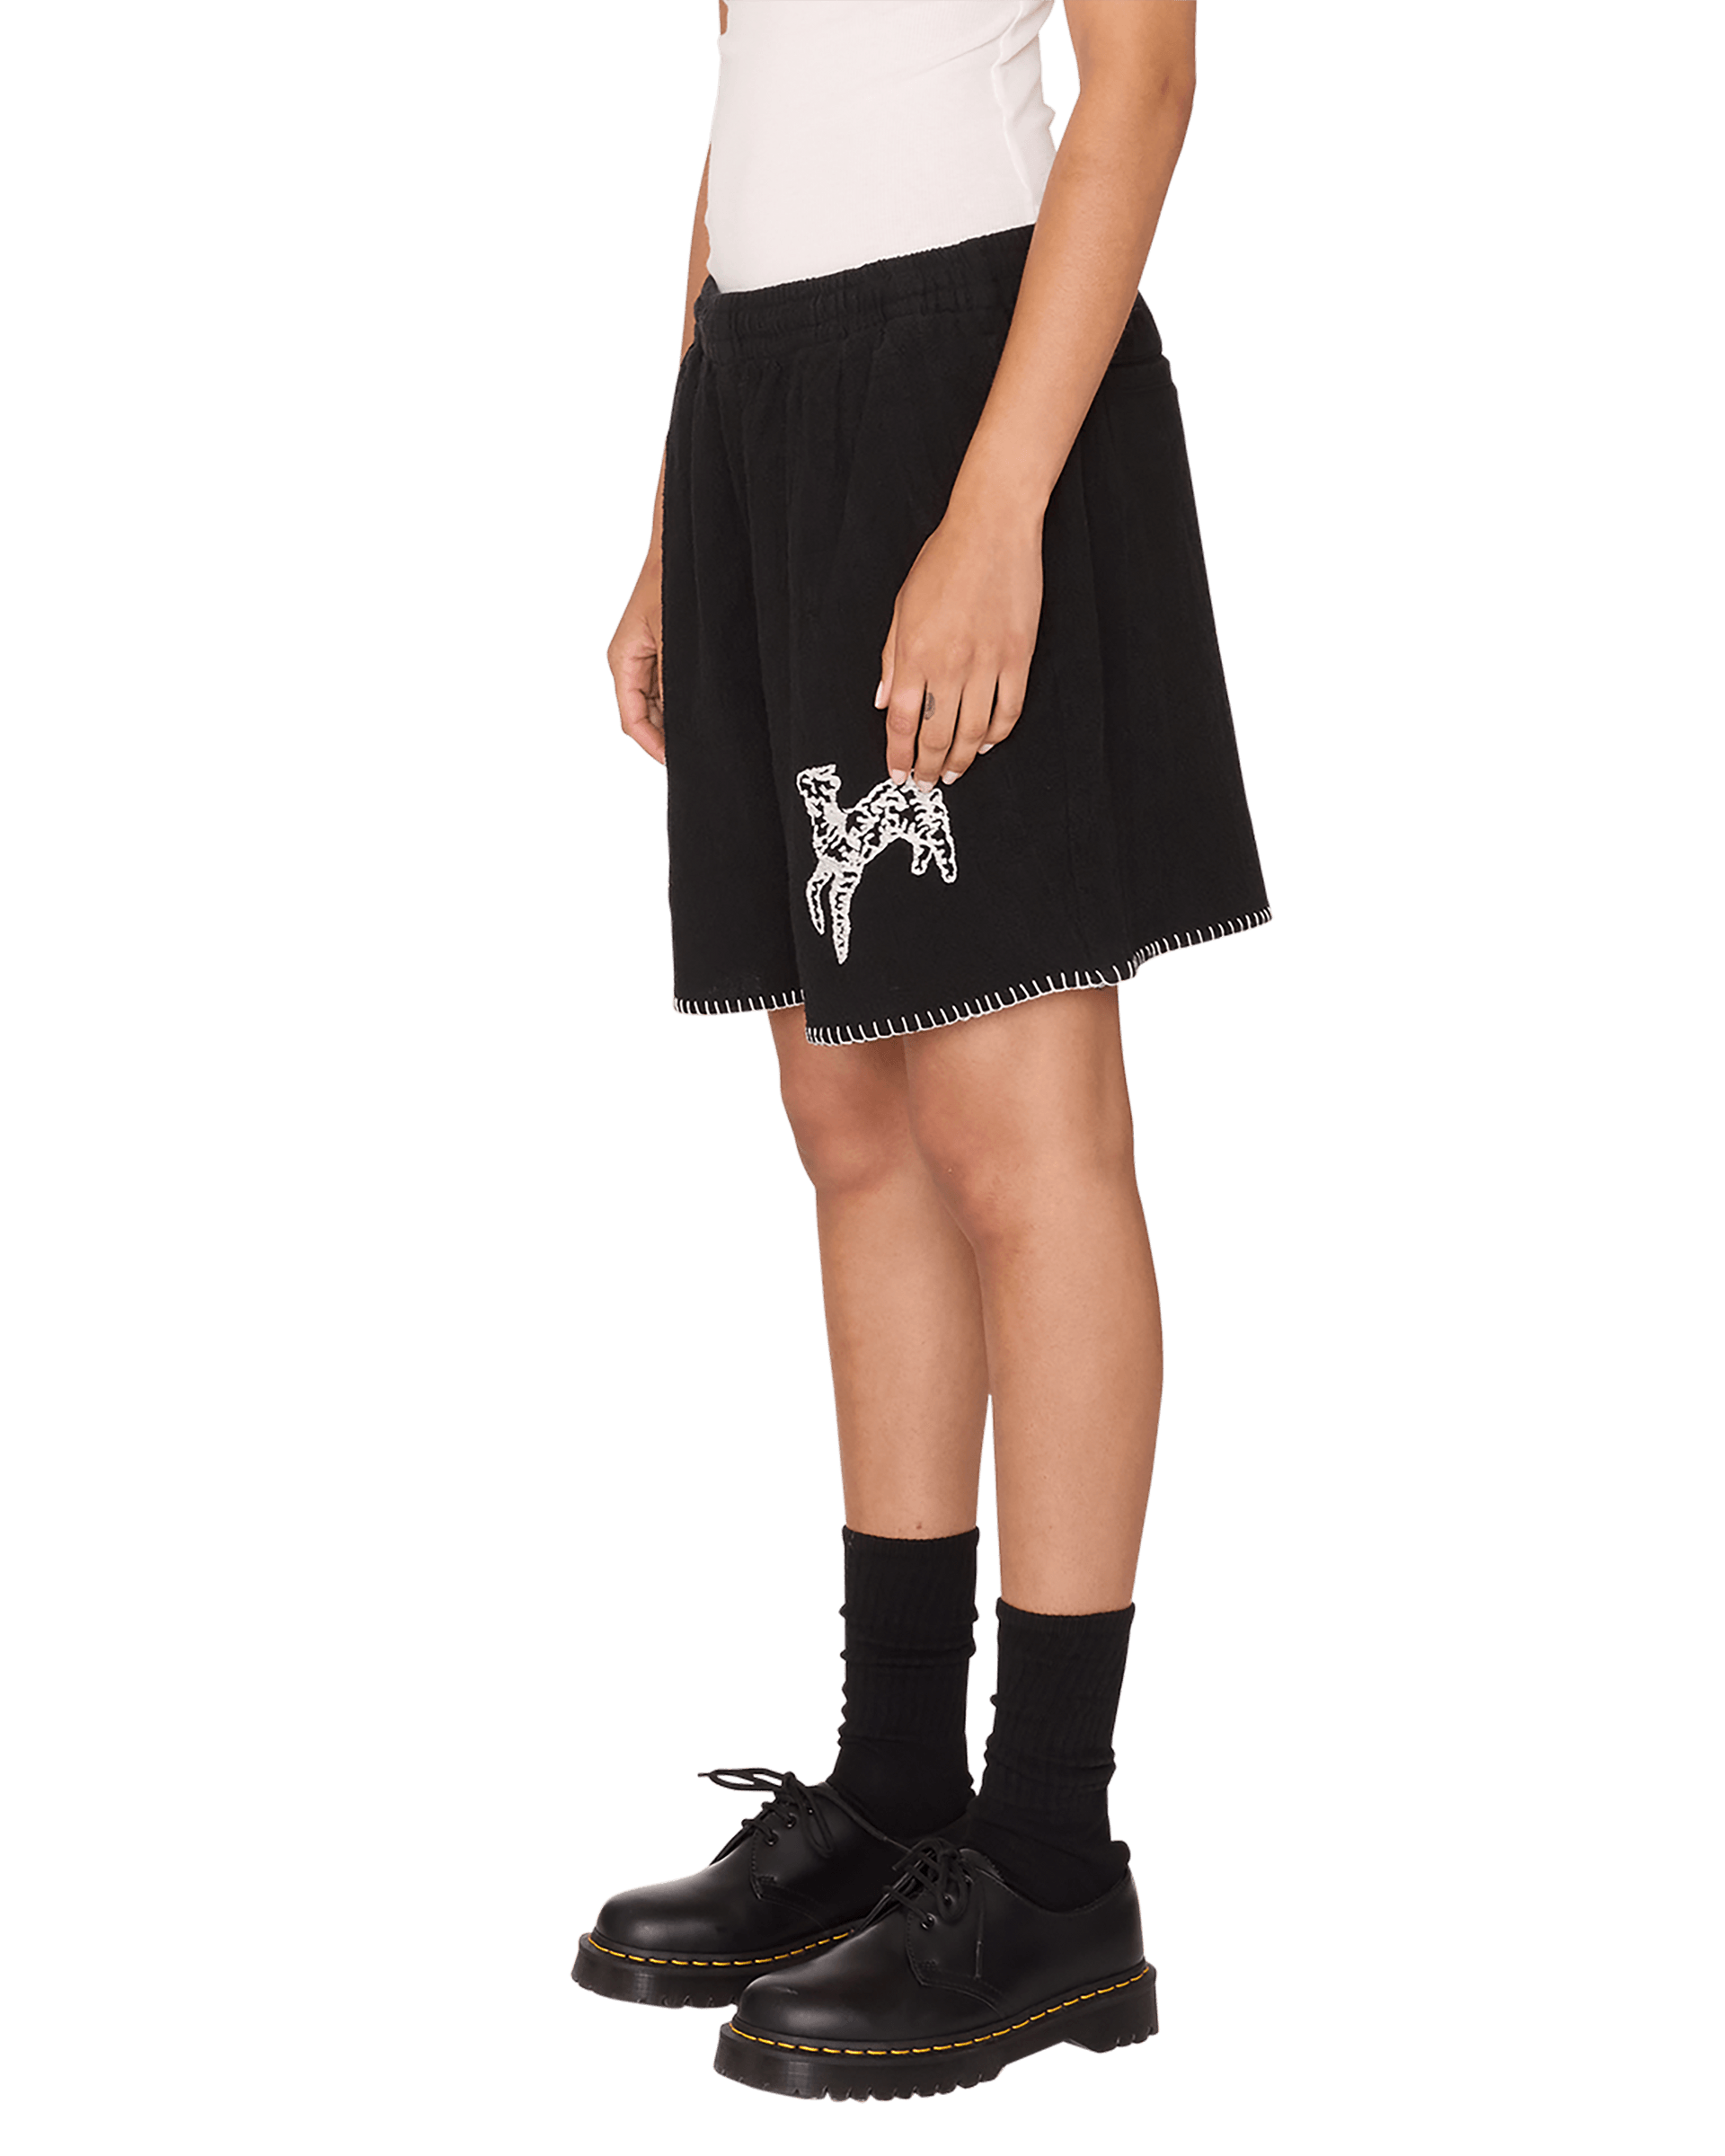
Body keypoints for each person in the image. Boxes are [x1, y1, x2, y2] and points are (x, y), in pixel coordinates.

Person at [574, 0, 1272, 2102]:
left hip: (976, 381)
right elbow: (759, 93)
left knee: (1021, 1129)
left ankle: (1051, 1858)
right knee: (850, 1113)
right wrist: (675, 504)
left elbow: (1143, 80)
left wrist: (997, 510)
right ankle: (893, 1790)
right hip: (765, 397)